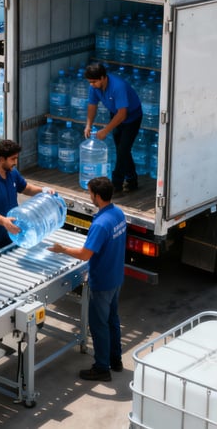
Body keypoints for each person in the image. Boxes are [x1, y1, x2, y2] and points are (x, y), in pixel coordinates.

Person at [47, 177, 125, 381]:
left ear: (97, 196)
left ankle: (102, 368)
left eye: (90, 193)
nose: (89, 196)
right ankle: (115, 360)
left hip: (102, 281)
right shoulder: (118, 214)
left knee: (98, 325)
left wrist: (62, 249)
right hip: (116, 277)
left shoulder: (100, 224)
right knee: (112, 320)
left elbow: (84, 254)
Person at [0, 139, 46, 257]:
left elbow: (26, 188)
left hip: (13, 233)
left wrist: (43, 190)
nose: (15, 162)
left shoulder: (12, 173)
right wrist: (4, 221)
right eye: (13, 159)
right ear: (2, 159)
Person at [84, 62, 143, 194]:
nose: (91, 85)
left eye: (94, 82)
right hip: (115, 114)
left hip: (131, 117)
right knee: (122, 150)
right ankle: (132, 179)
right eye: (90, 82)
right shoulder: (94, 87)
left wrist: (105, 130)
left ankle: (117, 183)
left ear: (103, 77)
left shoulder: (118, 86)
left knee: (123, 149)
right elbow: (92, 106)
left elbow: (122, 114)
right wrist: (88, 125)